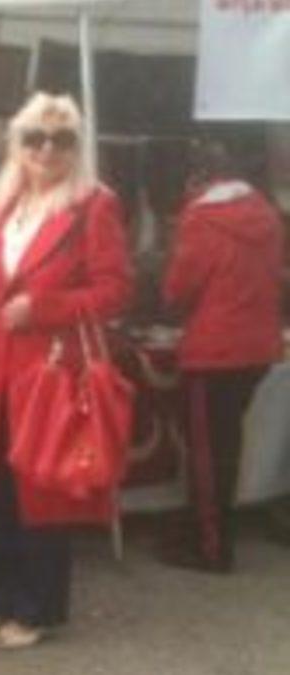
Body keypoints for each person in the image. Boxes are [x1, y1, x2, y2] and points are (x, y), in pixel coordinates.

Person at [0, 92, 133, 649]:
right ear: (17, 143)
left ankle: (38, 609)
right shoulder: (3, 206)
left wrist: (44, 307)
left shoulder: (93, 205)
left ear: (77, 147)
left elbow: (115, 290)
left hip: (52, 373)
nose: (47, 149)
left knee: (41, 493)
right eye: (35, 137)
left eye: (62, 140)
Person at [157, 135, 284, 573]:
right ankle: (205, 530)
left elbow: (178, 288)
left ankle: (211, 546)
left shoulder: (201, 218)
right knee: (226, 443)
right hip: (258, 347)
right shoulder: (267, 214)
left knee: (208, 454)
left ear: (199, 179)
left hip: (214, 350)